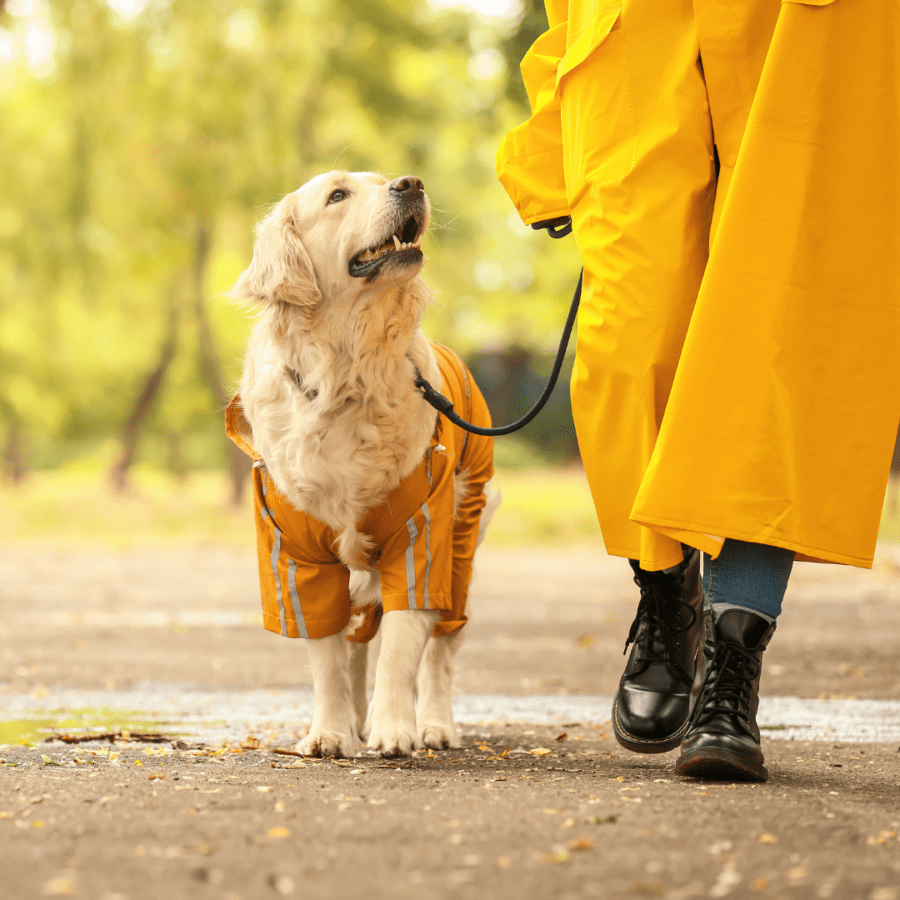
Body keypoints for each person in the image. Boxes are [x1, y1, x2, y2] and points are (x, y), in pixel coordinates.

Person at [496, 0, 900, 781]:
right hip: (633, 51)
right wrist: (551, 135)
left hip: (801, 33)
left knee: (770, 353)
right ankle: (665, 584)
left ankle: (732, 663)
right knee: (626, 344)